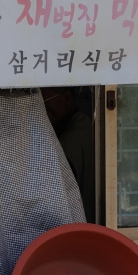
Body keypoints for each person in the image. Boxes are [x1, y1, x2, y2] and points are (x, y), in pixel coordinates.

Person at [42, 88, 95, 223]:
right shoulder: (87, 124)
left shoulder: (67, 142)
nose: (42, 108)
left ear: (67, 98)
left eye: (45, 101)